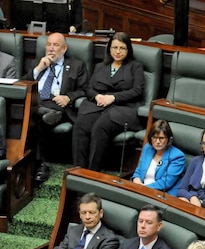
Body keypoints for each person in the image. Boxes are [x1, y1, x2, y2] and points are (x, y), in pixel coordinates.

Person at [72, 32, 144, 171]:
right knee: (80, 125)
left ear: (128, 50)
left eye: (122, 48)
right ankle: (78, 172)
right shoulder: (100, 66)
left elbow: (137, 91)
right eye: (114, 47)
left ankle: (93, 173)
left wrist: (113, 98)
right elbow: (89, 88)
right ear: (109, 49)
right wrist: (97, 96)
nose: (117, 52)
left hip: (123, 108)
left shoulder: (135, 66)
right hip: (98, 105)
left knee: (100, 126)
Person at [24, 32, 89, 182]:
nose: (51, 49)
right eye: (48, 45)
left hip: (59, 105)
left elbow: (85, 89)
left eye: (55, 45)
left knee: (36, 119)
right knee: (36, 116)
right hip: (37, 103)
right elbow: (23, 84)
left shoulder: (76, 65)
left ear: (64, 48)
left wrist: (68, 97)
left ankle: (42, 164)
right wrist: (38, 69)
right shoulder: (37, 63)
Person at [130, 120, 186, 195]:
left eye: (161, 138)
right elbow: (138, 171)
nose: (157, 141)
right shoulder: (148, 148)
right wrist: (136, 181)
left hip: (160, 194)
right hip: (141, 188)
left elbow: (166, 183)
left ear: (169, 139)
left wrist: (143, 188)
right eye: (155, 137)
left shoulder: (177, 156)